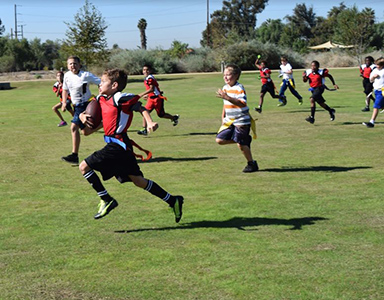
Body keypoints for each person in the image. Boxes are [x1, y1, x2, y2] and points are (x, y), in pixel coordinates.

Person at [78, 68, 184, 222]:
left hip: (117, 145)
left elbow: (141, 107)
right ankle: (173, 200)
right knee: (138, 181)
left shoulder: (120, 98)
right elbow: (103, 121)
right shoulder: (101, 99)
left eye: (103, 82)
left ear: (114, 85)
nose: (99, 84)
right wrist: (82, 116)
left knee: (84, 166)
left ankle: (106, 199)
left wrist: (149, 121)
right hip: (123, 147)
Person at [215, 64, 258, 173]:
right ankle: (245, 139)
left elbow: (242, 103)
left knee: (241, 145)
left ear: (236, 76)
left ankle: (251, 163)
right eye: (224, 75)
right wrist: (223, 117)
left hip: (241, 120)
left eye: (228, 75)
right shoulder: (225, 88)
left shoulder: (239, 88)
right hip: (229, 121)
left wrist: (227, 97)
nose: (225, 77)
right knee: (219, 140)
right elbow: (225, 105)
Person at [61, 56, 101, 165]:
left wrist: (101, 95)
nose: (72, 65)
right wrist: (64, 102)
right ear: (67, 66)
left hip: (86, 104)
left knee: (73, 127)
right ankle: (103, 124)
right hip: (76, 106)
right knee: (85, 132)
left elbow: (100, 82)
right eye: (70, 64)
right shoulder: (67, 76)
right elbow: (65, 90)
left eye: (75, 63)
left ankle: (74, 155)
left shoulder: (85, 75)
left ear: (79, 65)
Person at [137, 64, 179, 135]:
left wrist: (142, 94)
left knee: (161, 115)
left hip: (157, 99)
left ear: (150, 71)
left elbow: (152, 89)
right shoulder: (147, 78)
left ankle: (174, 118)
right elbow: (154, 89)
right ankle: (144, 129)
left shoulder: (150, 78)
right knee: (145, 112)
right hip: (151, 99)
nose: (145, 71)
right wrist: (148, 95)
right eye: (144, 70)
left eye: (147, 70)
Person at [363, 57, 384, 128]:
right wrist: (374, 77)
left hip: (382, 91)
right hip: (376, 90)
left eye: (378, 65)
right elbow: (370, 80)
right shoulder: (375, 70)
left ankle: (371, 122)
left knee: (376, 106)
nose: (377, 66)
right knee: (381, 106)